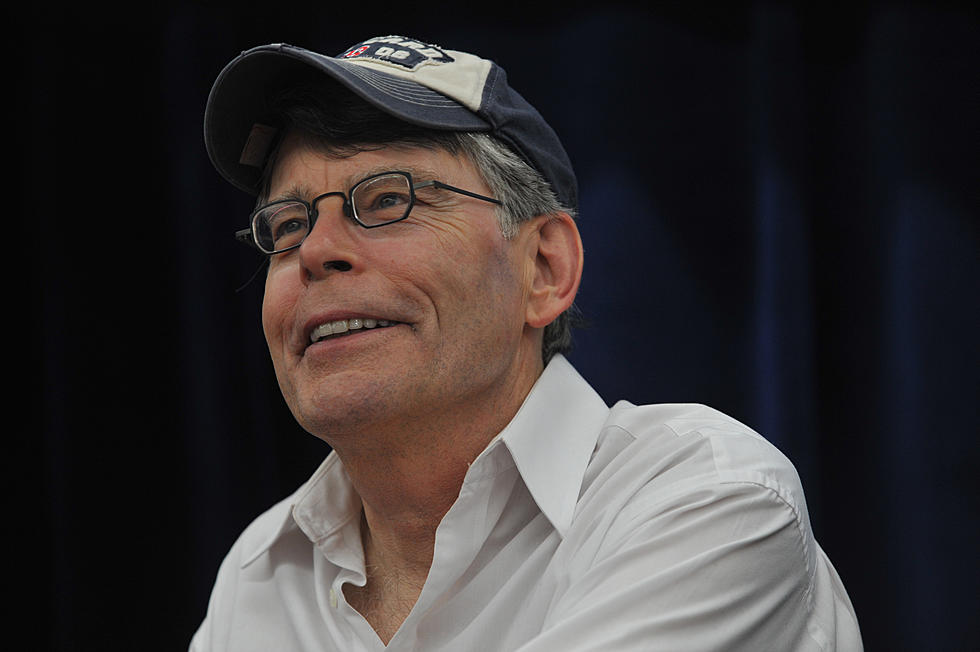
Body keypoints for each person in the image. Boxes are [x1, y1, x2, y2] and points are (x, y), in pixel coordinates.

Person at [192, 35, 862, 651]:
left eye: (388, 199)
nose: (315, 250)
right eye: (285, 224)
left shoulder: (708, 501)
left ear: (544, 269)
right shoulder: (261, 574)